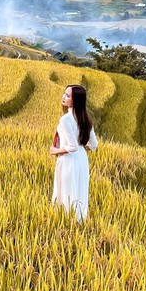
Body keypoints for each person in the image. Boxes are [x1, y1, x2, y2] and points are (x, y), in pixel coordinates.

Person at [50, 84, 98, 221]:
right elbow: (94, 145)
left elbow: (71, 147)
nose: (63, 97)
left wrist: (55, 151)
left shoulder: (65, 119)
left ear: (76, 100)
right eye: (64, 94)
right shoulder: (86, 118)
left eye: (68, 95)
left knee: (66, 192)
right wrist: (82, 147)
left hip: (68, 160)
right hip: (82, 160)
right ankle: (79, 222)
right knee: (79, 192)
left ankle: (63, 222)